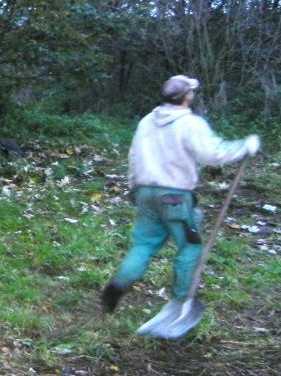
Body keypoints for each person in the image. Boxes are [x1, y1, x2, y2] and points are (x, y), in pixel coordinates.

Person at [101, 74, 260, 313]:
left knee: (143, 245)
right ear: (186, 96)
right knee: (190, 246)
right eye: (191, 91)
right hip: (175, 197)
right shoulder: (190, 123)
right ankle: (180, 302)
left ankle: (116, 286)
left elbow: (133, 155)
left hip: (145, 191)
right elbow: (213, 154)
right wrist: (245, 146)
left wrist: (134, 186)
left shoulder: (147, 121)